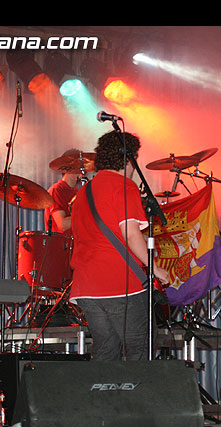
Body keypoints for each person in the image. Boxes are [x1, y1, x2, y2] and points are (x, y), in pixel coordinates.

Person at [69, 131, 168, 361]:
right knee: (140, 350)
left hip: (86, 287)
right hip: (119, 283)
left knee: (105, 351)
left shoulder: (83, 192)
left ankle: (102, 387)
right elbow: (131, 234)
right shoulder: (124, 186)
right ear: (129, 158)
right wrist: (154, 268)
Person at [44, 149, 89, 234]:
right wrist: (87, 214)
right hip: (61, 241)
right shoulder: (56, 190)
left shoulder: (77, 192)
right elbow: (62, 225)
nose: (82, 170)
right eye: (78, 166)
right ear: (67, 168)